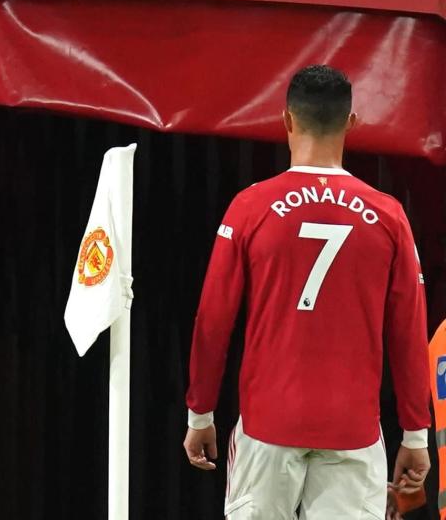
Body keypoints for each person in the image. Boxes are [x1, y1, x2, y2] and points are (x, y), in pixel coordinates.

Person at [183, 65, 431, 519]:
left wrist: (200, 413)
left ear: (286, 121)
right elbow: (409, 332)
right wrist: (416, 435)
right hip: (352, 428)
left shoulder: (251, 206)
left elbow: (213, 320)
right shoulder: (389, 216)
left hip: (268, 424)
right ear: (351, 123)